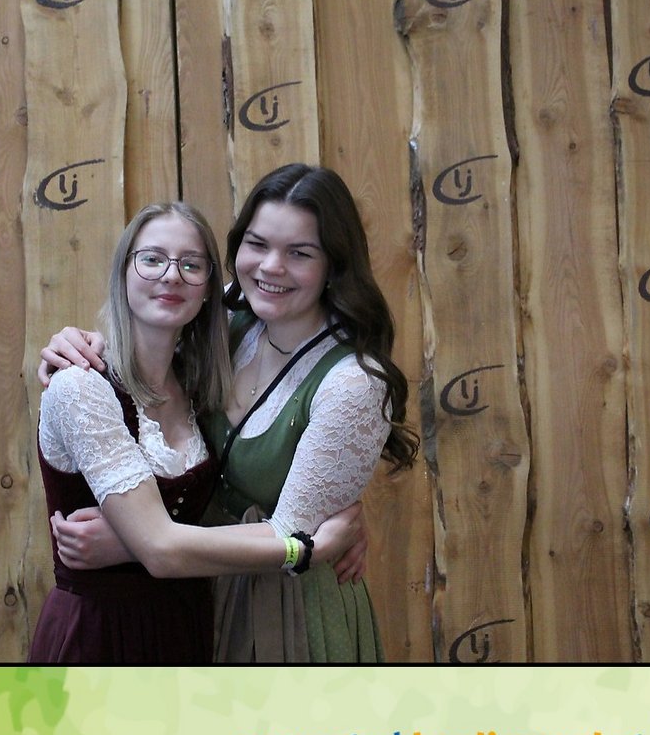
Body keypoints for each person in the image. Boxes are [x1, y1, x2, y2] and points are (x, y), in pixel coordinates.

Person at [43, 165, 417, 662]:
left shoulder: (353, 382)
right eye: (257, 244)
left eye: (300, 253)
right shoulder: (227, 319)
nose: (271, 267)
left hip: (286, 609)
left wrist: (133, 544)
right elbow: (146, 338)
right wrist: (74, 346)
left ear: (335, 264)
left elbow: (294, 536)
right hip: (195, 600)